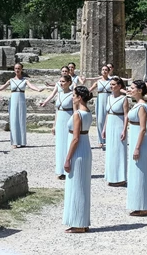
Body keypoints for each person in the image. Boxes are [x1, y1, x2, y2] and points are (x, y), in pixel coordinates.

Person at [0, 63, 45, 148]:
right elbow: (2, 87)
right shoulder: (11, 80)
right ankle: (14, 142)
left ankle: (22, 141)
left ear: (22, 69)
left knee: (21, 120)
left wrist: (38, 89)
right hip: (13, 101)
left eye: (19, 68)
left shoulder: (25, 80)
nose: (17, 70)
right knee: (13, 120)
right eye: (16, 68)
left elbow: (31, 86)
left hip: (21, 101)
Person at [62, 86, 93, 233]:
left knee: (76, 187)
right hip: (86, 148)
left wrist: (67, 158)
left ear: (79, 97)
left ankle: (79, 224)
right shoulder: (87, 112)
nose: (72, 97)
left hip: (78, 151)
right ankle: (82, 221)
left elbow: (75, 138)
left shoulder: (77, 115)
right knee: (83, 186)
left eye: (74, 95)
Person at [126, 80, 147, 216]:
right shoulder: (136, 105)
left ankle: (144, 206)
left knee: (140, 173)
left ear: (140, 90)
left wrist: (137, 147)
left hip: (140, 142)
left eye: (132, 88)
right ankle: (138, 204)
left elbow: (143, 129)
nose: (130, 90)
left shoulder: (142, 106)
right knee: (135, 173)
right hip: (136, 140)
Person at [41, 75, 73, 180]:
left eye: (63, 81)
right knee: (60, 146)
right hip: (60, 121)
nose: (61, 83)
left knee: (68, 145)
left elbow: (76, 111)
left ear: (69, 82)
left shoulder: (73, 95)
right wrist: (54, 125)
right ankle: (61, 170)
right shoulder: (59, 94)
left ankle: (69, 168)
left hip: (68, 120)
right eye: (60, 81)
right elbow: (57, 110)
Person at [102, 77, 129, 187]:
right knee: (110, 152)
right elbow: (108, 114)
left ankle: (121, 178)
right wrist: (104, 128)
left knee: (119, 151)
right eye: (111, 84)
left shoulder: (124, 99)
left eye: (113, 84)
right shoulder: (108, 98)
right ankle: (111, 176)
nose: (111, 86)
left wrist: (124, 129)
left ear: (119, 86)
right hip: (110, 125)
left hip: (119, 125)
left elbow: (126, 115)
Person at [87, 65, 111, 149]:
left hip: (109, 99)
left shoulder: (111, 81)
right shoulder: (98, 82)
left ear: (108, 71)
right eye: (103, 70)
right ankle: (101, 140)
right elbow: (89, 89)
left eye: (106, 70)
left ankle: (108, 139)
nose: (104, 71)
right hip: (100, 100)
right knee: (100, 120)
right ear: (101, 71)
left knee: (108, 120)